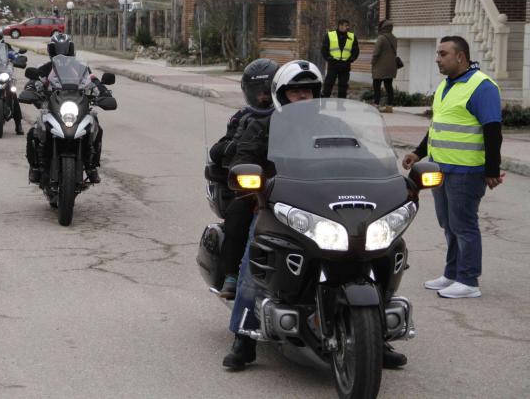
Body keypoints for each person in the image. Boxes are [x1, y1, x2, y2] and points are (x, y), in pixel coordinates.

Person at [223, 60, 408, 371]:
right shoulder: (264, 125)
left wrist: (385, 170)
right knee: (255, 263)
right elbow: (242, 158)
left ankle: (376, 337)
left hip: (324, 203)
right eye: (295, 91)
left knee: (375, 251)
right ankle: (245, 336)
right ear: (281, 94)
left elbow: (363, 154)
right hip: (278, 204)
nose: (302, 96)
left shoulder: (333, 125)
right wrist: (255, 181)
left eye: (308, 90)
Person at [402, 35, 503, 299]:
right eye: (437, 53)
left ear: (460, 56)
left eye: (443, 54)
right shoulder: (447, 85)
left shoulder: (482, 86)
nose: (437, 59)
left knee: (464, 225)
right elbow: (437, 127)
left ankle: (468, 280)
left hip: (465, 171)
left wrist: (492, 170)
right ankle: (451, 274)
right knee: (448, 224)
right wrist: (418, 152)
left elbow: (493, 130)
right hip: (439, 168)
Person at [208, 58, 279, 299]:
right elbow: (217, 151)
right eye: (257, 93)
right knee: (238, 217)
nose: (262, 98)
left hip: (293, 185)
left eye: (267, 91)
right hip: (257, 189)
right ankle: (231, 276)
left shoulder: (293, 116)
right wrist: (233, 146)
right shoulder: (241, 119)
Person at [25, 33, 110, 184]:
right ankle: (36, 167)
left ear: (71, 49)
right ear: (51, 51)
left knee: (96, 127)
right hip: (52, 108)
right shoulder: (44, 68)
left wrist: (104, 92)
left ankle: (91, 166)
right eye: (57, 50)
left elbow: (93, 81)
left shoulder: (81, 68)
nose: (61, 54)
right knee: (33, 133)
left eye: (65, 49)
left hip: (78, 105)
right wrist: (31, 89)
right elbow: (34, 80)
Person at [0, 27, 23, 135]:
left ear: (1, 37)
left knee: (13, 94)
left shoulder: (6, 46)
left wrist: (17, 57)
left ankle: (18, 123)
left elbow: (14, 54)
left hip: (4, 74)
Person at [320, 19, 359, 99]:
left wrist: (351, 59)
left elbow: (355, 50)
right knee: (328, 84)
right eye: (346, 25)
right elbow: (324, 49)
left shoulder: (352, 36)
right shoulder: (330, 35)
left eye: (348, 25)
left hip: (345, 65)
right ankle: (323, 103)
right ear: (340, 26)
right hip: (333, 64)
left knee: (343, 86)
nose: (347, 27)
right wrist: (329, 58)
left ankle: (341, 105)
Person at [372, 19, 398, 112]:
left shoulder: (381, 38)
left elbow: (376, 53)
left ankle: (376, 105)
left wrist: (373, 62)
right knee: (388, 86)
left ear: (383, 28)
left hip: (380, 66)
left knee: (376, 86)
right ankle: (389, 106)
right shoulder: (394, 38)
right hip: (391, 66)